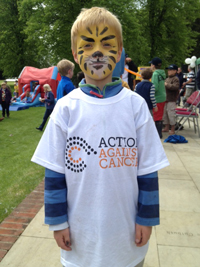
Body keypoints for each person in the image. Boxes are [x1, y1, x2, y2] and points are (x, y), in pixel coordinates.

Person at [31, 7, 169, 267]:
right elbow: (54, 172)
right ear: (75, 53)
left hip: (127, 241)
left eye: (107, 43)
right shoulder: (66, 108)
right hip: (81, 243)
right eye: (88, 44)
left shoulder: (136, 105)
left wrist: (147, 218)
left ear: (119, 51)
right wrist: (57, 222)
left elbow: (148, 170)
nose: (97, 51)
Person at [150, 57, 166, 138]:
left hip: (158, 97)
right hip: (163, 96)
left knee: (156, 116)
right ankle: (158, 133)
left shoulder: (155, 74)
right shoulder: (162, 73)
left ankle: (158, 134)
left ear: (153, 65)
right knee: (159, 115)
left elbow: (154, 87)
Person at [162, 64, 180, 135]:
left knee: (171, 114)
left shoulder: (176, 79)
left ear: (175, 71)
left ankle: (172, 128)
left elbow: (175, 87)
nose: (168, 71)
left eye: (170, 70)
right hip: (166, 98)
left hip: (171, 99)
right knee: (165, 114)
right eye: (168, 70)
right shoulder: (167, 78)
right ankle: (166, 127)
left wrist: (167, 85)